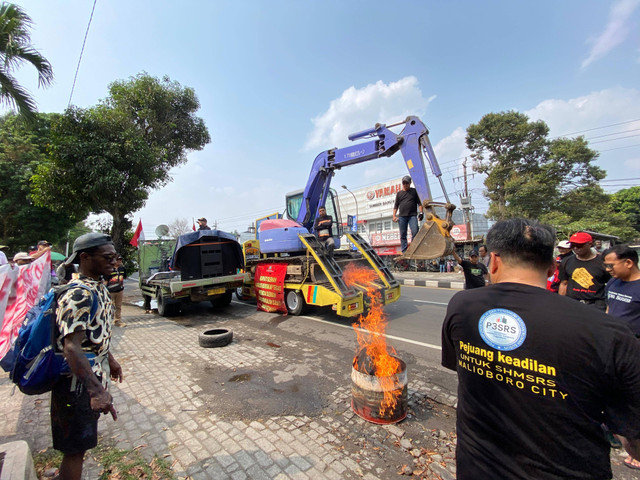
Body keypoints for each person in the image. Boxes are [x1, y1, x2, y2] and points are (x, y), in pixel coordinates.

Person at [441, 218, 640, 480]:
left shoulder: (462, 306)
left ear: (495, 260)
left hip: (476, 468)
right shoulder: (609, 333)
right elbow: (631, 429)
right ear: (551, 268)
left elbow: (459, 365)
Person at [52, 233, 122, 480]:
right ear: (84, 257)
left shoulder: (97, 287)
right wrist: (96, 391)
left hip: (87, 381)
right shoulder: (78, 294)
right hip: (76, 385)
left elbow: (95, 333)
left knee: (79, 445)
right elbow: (71, 347)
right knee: (75, 450)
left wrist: (110, 360)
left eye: (115, 257)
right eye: (108, 257)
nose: (114, 262)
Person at [559, 231, 610, 311]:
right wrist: (561, 304)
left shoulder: (602, 262)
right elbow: (564, 283)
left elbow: (611, 285)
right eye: (573, 245)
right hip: (573, 304)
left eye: (579, 245)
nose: (576, 248)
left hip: (595, 305)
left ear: (589, 244)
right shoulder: (566, 261)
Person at [392, 176, 424, 253]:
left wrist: (421, 213)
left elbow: (419, 203)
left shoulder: (414, 191)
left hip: (412, 216)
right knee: (403, 234)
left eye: (407, 183)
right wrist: (394, 216)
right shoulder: (399, 194)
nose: (405, 185)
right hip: (402, 217)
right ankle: (404, 251)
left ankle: (413, 248)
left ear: (410, 183)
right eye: (404, 183)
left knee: (415, 231)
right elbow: (396, 206)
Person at [106, 255, 127, 327]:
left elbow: (124, 277)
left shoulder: (122, 268)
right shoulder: (109, 269)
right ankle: (107, 321)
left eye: (120, 260)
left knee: (118, 306)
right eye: (118, 260)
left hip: (119, 290)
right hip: (111, 291)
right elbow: (105, 281)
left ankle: (117, 321)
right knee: (109, 306)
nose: (119, 261)